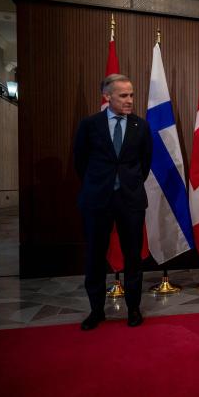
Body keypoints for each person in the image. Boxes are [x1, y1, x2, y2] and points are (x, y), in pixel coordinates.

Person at [73, 74, 152, 330]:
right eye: (124, 95)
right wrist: (100, 183)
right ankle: (96, 310)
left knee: (133, 256)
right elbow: (80, 162)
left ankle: (133, 309)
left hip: (130, 199)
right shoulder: (89, 125)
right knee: (95, 255)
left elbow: (145, 163)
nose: (130, 100)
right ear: (107, 97)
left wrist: (128, 183)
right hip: (97, 199)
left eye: (131, 95)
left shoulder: (141, 126)